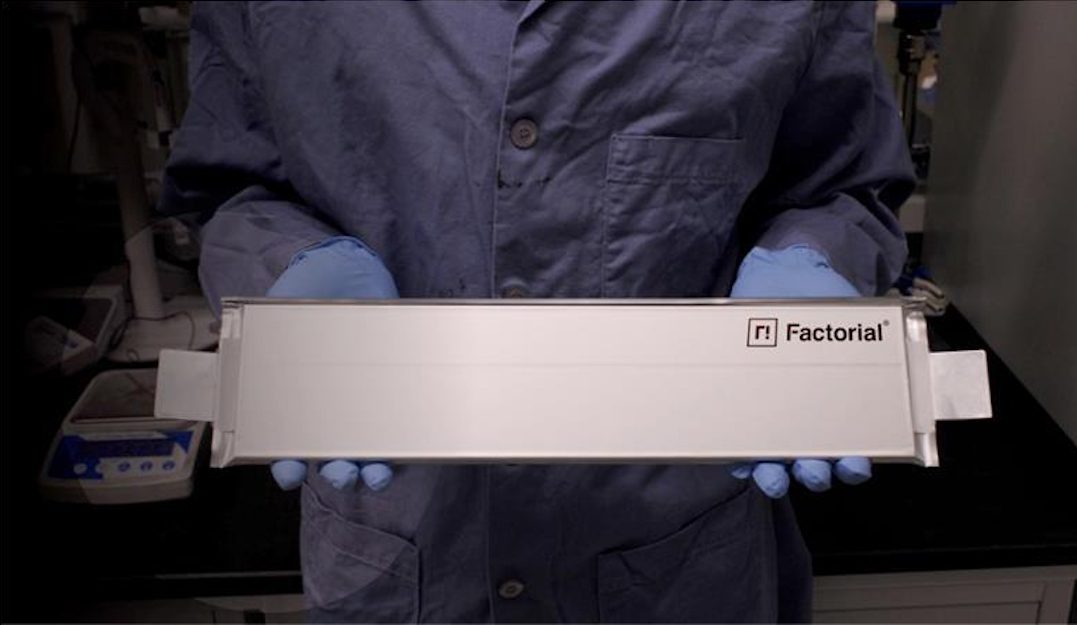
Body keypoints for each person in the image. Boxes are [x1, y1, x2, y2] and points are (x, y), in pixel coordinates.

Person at [160, 2, 913, 621]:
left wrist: (813, 260)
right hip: (395, 548)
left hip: (676, 564)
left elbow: (840, 184)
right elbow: (234, 183)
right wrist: (288, 263)